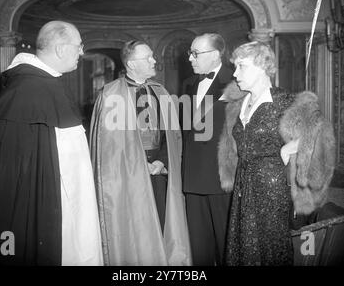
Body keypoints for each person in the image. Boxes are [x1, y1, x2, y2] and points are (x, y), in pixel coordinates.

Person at [0, 21, 103, 265]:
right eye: (79, 46)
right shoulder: (30, 89)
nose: (81, 52)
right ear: (60, 49)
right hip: (49, 210)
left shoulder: (45, 83)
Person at [217, 41, 336, 265]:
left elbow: (319, 138)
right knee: (242, 245)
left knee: (270, 248)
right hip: (243, 186)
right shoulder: (238, 103)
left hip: (273, 189)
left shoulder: (285, 102)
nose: (235, 73)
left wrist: (288, 149)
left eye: (241, 66)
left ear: (263, 65)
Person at [89, 40, 191, 265]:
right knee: (135, 227)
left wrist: (162, 162)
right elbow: (109, 144)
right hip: (126, 173)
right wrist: (138, 164)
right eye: (148, 57)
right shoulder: (110, 94)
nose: (154, 60)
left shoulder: (161, 91)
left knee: (163, 222)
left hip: (159, 171)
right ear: (132, 64)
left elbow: (171, 135)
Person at [181, 33, 233, 265]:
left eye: (195, 53)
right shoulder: (188, 84)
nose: (190, 58)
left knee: (226, 244)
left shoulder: (236, 81)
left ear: (215, 55)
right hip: (192, 176)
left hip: (221, 178)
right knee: (198, 246)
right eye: (190, 53)